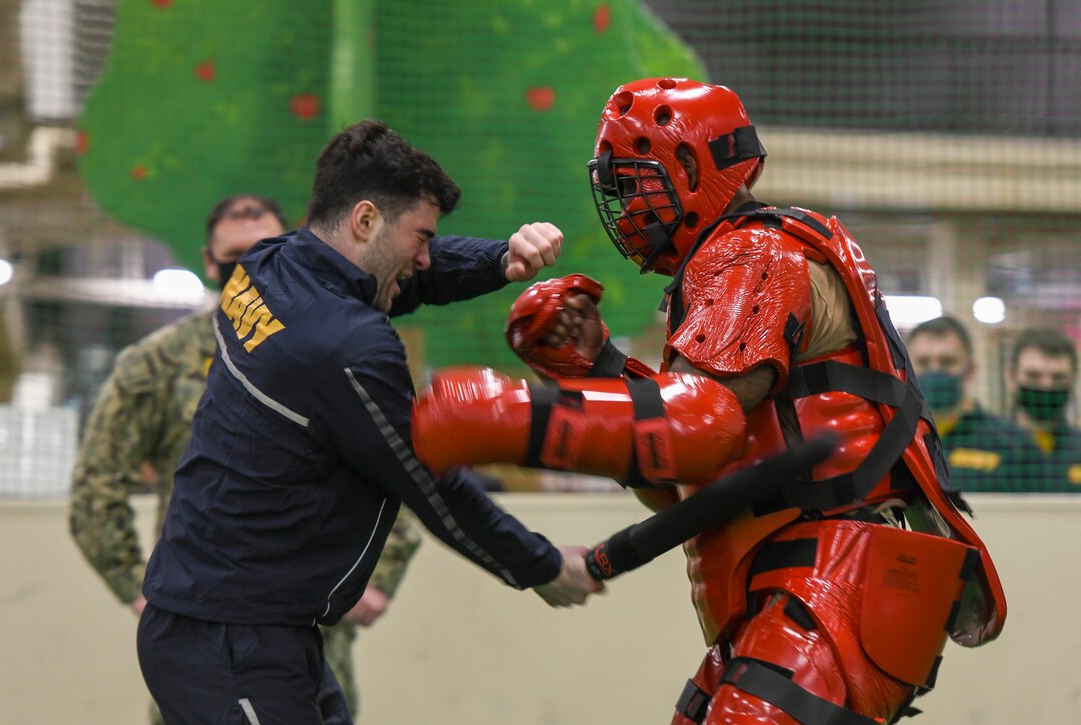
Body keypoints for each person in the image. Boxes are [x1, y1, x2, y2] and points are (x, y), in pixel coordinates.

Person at [412, 78, 1006, 724]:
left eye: (634, 181)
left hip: (833, 580)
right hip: (797, 588)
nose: (625, 205)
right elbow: (679, 485)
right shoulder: (724, 269)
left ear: (691, 168)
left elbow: (699, 427)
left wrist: (504, 414)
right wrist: (601, 367)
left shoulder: (755, 249)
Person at [134, 120, 602, 725]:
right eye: (421, 236)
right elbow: (431, 483)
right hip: (228, 642)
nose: (428, 256)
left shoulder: (266, 266)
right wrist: (540, 566)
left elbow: (408, 278)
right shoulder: (347, 349)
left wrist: (501, 260)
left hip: (245, 626)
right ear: (364, 220)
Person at [69, 194, 423, 724]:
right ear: (209, 265)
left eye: (264, 251)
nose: (250, 269)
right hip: (207, 634)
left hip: (313, 632)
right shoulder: (158, 364)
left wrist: (379, 579)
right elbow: (95, 489)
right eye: (234, 257)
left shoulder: (338, 349)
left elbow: (398, 466)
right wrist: (142, 594)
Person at [905, 315, 1044, 492]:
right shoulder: (887, 439)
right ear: (906, 370)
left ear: (970, 369)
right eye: (923, 362)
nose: (935, 371)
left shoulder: (1013, 443)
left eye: (947, 362)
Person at [1006, 327, 1081, 491]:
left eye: (1058, 377)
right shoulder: (991, 446)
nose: (1046, 385)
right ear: (1012, 377)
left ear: (1072, 380)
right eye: (1033, 376)